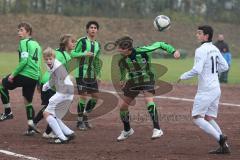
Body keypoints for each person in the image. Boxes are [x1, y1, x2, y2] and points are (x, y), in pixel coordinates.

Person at [114, 36, 180, 141]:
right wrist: (122, 80)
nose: (118, 50)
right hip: (132, 82)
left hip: (147, 79)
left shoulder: (143, 51)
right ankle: (127, 130)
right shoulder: (122, 60)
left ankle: (157, 129)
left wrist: (173, 51)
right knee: (123, 107)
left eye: (120, 48)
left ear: (127, 49)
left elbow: (160, 43)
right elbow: (123, 71)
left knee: (148, 101)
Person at [178, 25, 230, 154]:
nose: (197, 35)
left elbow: (197, 70)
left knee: (197, 117)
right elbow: (225, 66)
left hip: (206, 90)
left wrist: (183, 76)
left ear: (206, 36)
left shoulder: (200, 50)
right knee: (208, 117)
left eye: (199, 33)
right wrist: (212, 72)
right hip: (216, 88)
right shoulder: (214, 48)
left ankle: (220, 138)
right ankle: (225, 146)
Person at [26, 34, 75, 137]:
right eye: (72, 42)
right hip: (51, 83)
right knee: (52, 107)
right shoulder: (58, 54)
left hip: (54, 83)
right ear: (66, 43)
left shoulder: (66, 54)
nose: (74, 44)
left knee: (51, 107)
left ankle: (43, 128)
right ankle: (48, 131)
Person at [0, 22, 41, 133]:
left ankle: (8, 112)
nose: (19, 32)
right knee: (28, 102)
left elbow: (24, 62)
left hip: (25, 74)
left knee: (1, 85)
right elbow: (38, 65)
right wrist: (39, 81)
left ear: (28, 32)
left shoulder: (24, 42)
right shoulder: (37, 44)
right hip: (33, 77)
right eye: (18, 30)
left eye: (21, 30)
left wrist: (13, 75)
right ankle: (31, 126)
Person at [71, 21, 102, 130]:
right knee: (83, 96)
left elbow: (97, 61)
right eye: (91, 27)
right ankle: (79, 122)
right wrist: (84, 53)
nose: (93, 29)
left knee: (95, 97)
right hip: (81, 73)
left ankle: (85, 115)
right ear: (87, 29)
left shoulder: (98, 45)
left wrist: (99, 75)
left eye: (95, 28)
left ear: (97, 30)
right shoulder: (82, 41)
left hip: (92, 74)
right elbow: (72, 53)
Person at [42, 47, 75, 144]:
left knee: (46, 113)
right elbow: (53, 78)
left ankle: (62, 138)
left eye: (50, 59)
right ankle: (68, 133)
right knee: (55, 115)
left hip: (64, 92)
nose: (48, 61)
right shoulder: (49, 65)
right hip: (65, 92)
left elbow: (62, 76)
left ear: (54, 58)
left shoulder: (57, 66)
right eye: (46, 59)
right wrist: (46, 85)